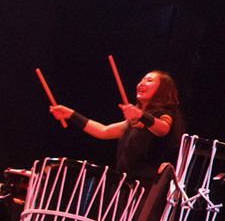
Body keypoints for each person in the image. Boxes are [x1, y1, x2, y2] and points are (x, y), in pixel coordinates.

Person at [49, 70, 183, 185]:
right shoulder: (134, 121)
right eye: (141, 80)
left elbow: (163, 128)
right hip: (127, 184)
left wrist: (141, 115)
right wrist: (71, 114)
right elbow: (103, 131)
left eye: (149, 80)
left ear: (162, 89)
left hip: (147, 186)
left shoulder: (163, 114)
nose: (141, 83)